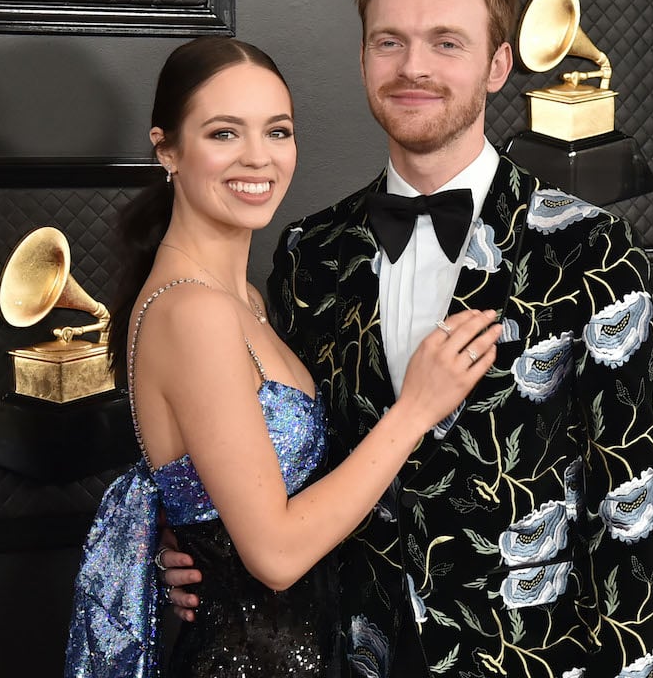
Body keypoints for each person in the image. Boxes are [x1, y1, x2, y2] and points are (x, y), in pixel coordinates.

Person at [161, 0, 653, 678]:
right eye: (389, 41)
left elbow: (631, 501)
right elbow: (284, 464)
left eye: (446, 42)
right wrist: (205, 549)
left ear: (499, 65)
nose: (413, 68)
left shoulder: (591, 251)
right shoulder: (310, 251)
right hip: (343, 653)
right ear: (364, 57)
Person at [62, 36, 502, 678]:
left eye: (278, 131)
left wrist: (175, 536)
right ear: (167, 150)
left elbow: (211, 490)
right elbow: (274, 552)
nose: (258, 159)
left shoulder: (244, 297)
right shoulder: (195, 312)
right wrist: (414, 411)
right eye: (223, 134)